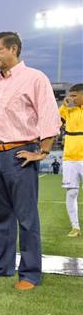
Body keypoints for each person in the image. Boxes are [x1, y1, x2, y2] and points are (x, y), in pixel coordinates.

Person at [0, 32, 61, 290]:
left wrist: (43, 152)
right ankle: (1, 267)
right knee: (1, 217)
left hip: (20, 153)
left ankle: (30, 274)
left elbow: (48, 114)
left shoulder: (34, 78)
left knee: (26, 218)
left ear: (14, 49)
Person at [58, 83, 83, 237]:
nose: (71, 98)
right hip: (69, 158)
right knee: (71, 193)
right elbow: (56, 123)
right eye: (70, 95)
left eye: (75, 96)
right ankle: (75, 227)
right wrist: (63, 107)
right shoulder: (68, 110)